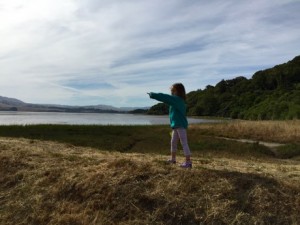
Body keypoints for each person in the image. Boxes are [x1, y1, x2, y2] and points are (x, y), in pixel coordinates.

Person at [148, 83, 192, 168]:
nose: (171, 92)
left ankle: (188, 162)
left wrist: (153, 95)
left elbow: (165, 97)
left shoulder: (177, 100)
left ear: (178, 91)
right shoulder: (179, 100)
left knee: (184, 143)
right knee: (173, 142)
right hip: (176, 125)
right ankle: (173, 159)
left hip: (180, 125)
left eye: (172, 90)